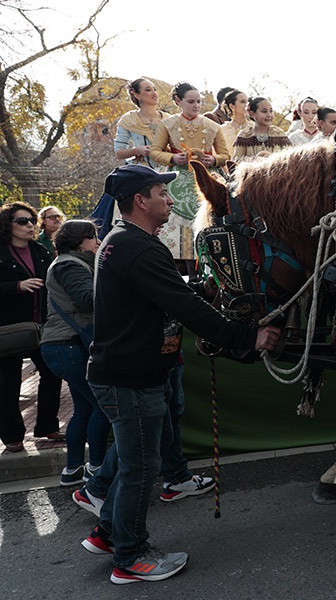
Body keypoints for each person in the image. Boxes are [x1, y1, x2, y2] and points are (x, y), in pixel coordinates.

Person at [82, 164, 280, 584]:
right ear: (140, 200)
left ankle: (109, 532)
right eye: (162, 193)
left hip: (127, 372)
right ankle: (130, 557)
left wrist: (211, 294)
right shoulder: (137, 247)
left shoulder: (125, 241)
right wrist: (249, 337)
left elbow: (176, 294)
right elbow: (187, 308)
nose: (170, 201)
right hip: (131, 377)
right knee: (140, 469)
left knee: (134, 462)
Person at [40, 220, 110, 485]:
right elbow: (89, 299)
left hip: (64, 346)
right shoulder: (70, 265)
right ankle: (96, 467)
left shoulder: (70, 262)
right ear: (80, 242)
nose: (98, 242)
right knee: (102, 406)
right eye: (94, 237)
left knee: (83, 409)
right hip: (69, 346)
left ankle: (72, 470)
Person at [0, 202, 63, 453]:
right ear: (8, 225)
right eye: (22, 221)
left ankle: (47, 426)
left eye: (31, 221)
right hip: (10, 329)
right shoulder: (2, 253)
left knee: (52, 373)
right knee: (8, 383)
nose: (29, 225)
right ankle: (12, 436)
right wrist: (17, 286)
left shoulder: (41, 252)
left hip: (41, 327)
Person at [149, 82, 230, 264]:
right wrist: (172, 158)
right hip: (176, 176)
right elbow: (155, 151)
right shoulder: (167, 124)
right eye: (191, 102)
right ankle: (182, 263)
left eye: (199, 101)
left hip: (208, 175)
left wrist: (214, 160)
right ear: (178, 101)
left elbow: (225, 155)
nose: (196, 106)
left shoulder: (212, 126)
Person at [114, 77, 170, 170]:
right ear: (136, 95)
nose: (154, 93)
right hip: (142, 171)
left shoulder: (168, 119)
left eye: (155, 89)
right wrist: (136, 150)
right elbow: (119, 153)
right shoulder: (128, 120)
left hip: (168, 169)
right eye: (148, 90)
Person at [232, 97, 292, 162]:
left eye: (271, 111)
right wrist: (255, 159)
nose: (269, 115)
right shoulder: (245, 135)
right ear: (252, 114)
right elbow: (236, 161)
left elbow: (289, 159)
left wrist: (273, 159)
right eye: (264, 111)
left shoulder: (279, 134)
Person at [219, 89, 250, 154]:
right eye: (243, 102)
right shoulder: (221, 130)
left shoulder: (255, 128)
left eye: (248, 102)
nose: (247, 105)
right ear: (232, 106)